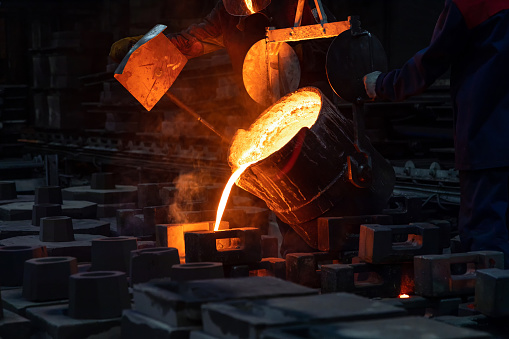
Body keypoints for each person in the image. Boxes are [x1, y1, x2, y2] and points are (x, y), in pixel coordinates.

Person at [110, 0, 337, 257]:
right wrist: (146, 49)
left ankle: (323, 269)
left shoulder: (300, 6)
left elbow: (333, 45)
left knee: (320, 211)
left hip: (312, 122)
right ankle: (302, 271)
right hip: (269, 127)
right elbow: (190, 42)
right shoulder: (227, 14)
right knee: (287, 208)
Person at [363, 0, 509, 268]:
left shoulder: (471, 3)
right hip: (496, 135)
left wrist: (382, 84)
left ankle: (491, 307)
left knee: (487, 243)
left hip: (487, 140)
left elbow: (432, 60)